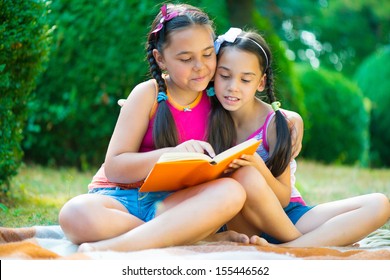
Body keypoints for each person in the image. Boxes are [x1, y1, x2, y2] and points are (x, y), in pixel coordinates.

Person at [58, 3, 250, 252]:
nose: (200, 66)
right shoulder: (147, 94)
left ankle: (119, 246)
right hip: (122, 200)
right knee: (75, 213)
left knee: (232, 192)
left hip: (173, 203)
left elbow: (257, 106)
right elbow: (115, 167)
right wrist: (171, 153)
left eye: (207, 54)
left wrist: (291, 118)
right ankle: (183, 235)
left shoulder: (219, 98)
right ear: (161, 59)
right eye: (186, 58)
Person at [209, 27, 390, 247]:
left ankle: (287, 250)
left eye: (245, 80)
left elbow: (283, 198)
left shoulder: (277, 124)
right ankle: (305, 245)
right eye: (225, 76)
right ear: (213, 73)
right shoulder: (207, 116)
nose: (232, 87)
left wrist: (258, 165)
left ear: (261, 83)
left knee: (378, 204)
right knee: (242, 176)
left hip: (288, 215)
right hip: (242, 221)